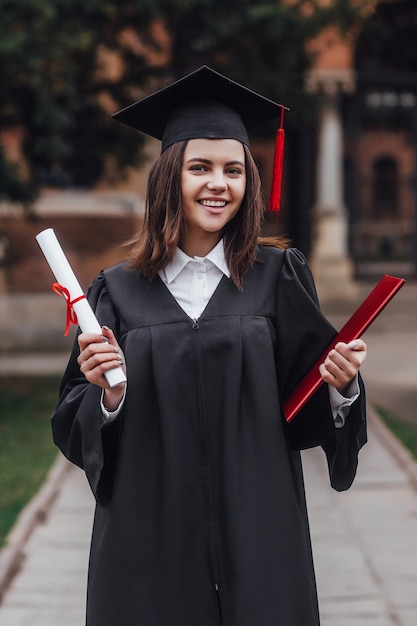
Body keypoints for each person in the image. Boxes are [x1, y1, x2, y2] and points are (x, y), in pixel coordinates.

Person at [51, 66, 367, 626]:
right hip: (147, 539)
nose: (218, 184)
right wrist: (106, 397)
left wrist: (342, 387)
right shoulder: (114, 293)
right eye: (199, 168)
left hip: (260, 533)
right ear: (169, 177)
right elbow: (75, 426)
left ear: (250, 182)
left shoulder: (278, 277)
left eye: (233, 169)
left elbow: (305, 404)